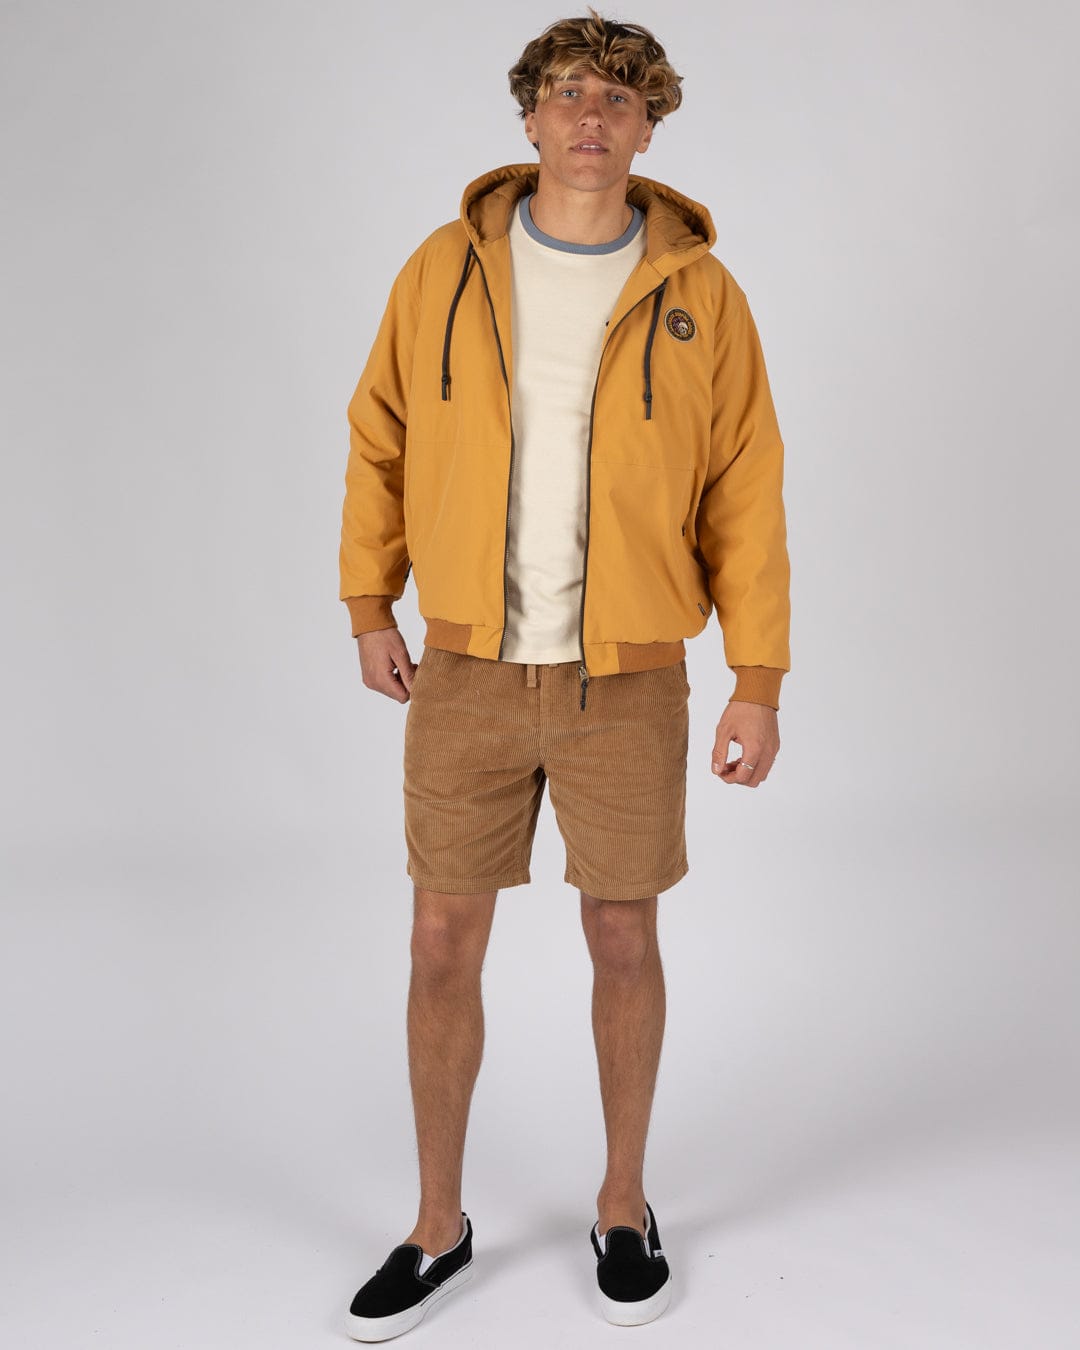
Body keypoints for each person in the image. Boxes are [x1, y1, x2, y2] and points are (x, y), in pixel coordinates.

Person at [337, 8, 791, 1339]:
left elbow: (748, 492)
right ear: (530, 116)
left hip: (631, 680)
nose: (594, 116)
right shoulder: (444, 269)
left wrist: (757, 675)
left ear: (651, 128)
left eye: (621, 99)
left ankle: (623, 1204)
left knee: (623, 934)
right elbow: (378, 437)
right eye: (572, 92)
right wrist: (368, 601)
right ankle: (437, 1224)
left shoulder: (703, 294)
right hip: (467, 671)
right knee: (439, 941)